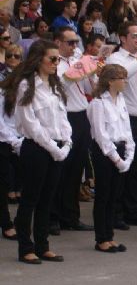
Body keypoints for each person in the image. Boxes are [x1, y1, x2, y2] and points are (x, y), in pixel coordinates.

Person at [8, 40, 72, 264]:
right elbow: (31, 123)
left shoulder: (55, 85)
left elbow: (63, 118)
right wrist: (54, 147)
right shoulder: (27, 85)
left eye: (58, 59)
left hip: (56, 148)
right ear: (38, 60)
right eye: (52, 59)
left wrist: (66, 143)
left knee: (48, 199)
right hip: (36, 148)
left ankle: (43, 245)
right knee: (31, 199)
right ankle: (26, 248)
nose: (56, 63)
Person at [106, 22, 137, 227]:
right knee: (123, 167)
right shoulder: (116, 58)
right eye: (134, 36)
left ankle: (132, 209)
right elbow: (122, 74)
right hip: (128, 119)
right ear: (122, 38)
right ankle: (115, 212)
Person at [50, 27, 94, 234]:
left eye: (76, 42)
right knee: (60, 168)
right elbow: (58, 86)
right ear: (58, 43)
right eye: (70, 42)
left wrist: (92, 71)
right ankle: (52, 217)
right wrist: (77, 69)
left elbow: (88, 90)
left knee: (76, 169)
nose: (75, 46)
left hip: (80, 115)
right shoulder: (53, 62)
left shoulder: (74, 62)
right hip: (64, 116)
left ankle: (71, 215)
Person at [87, 64, 135, 253]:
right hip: (106, 152)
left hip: (121, 149)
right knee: (103, 196)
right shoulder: (98, 103)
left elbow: (127, 129)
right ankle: (101, 238)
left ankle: (110, 235)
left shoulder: (121, 99)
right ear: (110, 81)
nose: (125, 82)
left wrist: (129, 155)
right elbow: (101, 135)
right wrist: (116, 158)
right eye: (121, 78)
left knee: (114, 196)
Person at [0, 47, 23, 241]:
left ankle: (18, 222)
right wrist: (13, 141)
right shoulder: (2, 91)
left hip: (21, 141)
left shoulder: (26, 91)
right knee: (4, 184)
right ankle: (6, 224)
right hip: (5, 141)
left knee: (23, 183)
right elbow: (1, 123)